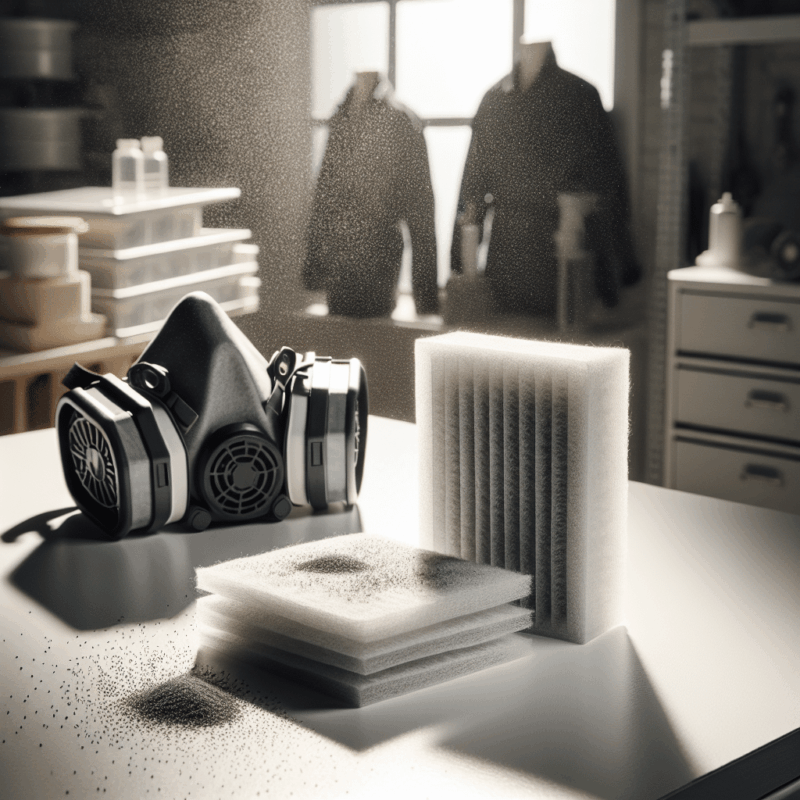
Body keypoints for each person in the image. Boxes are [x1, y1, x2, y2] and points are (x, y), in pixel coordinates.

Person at [450, 41, 640, 317]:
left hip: (564, 259)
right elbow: (471, 189)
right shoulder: (494, 100)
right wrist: (461, 266)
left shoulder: (580, 96)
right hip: (505, 260)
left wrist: (617, 271)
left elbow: (608, 187)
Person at [303, 72, 439, 318]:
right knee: (339, 341)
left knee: (375, 339)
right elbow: (323, 197)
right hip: (339, 264)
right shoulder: (342, 117)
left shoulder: (401, 121)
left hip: (380, 265)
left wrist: (426, 295)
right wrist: (315, 270)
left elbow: (421, 212)